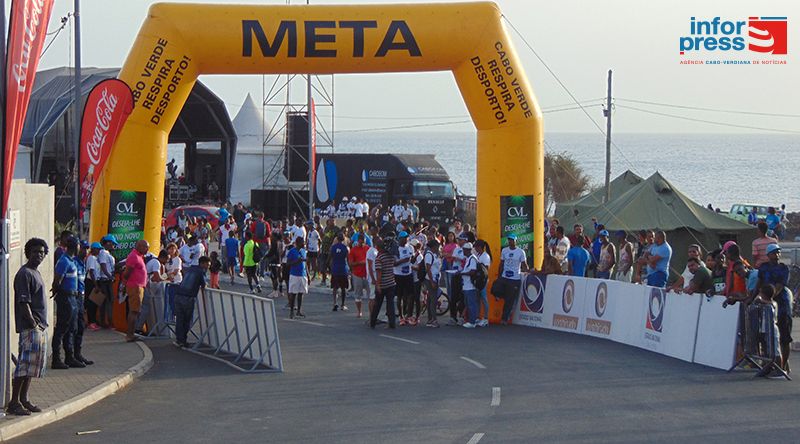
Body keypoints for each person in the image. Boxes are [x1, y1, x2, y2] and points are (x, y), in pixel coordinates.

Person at [7, 238, 49, 416]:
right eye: (35, 252)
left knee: (31, 366)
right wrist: (33, 324)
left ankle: (24, 399)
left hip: (39, 327)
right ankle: (14, 402)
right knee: (23, 366)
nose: (38, 255)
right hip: (31, 327)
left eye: (41, 252)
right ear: (27, 253)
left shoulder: (35, 272)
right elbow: (24, 302)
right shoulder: (24, 274)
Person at [757, 244, 792, 373]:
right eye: (773, 252)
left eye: (778, 252)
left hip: (782, 305)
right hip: (766, 305)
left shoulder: (783, 268)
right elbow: (759, 284)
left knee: (784, 336)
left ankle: (783, 367)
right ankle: (769, 364)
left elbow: (779, 286)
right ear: (768, 255)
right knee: (766, 336)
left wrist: (770, 297)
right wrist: (754, 298)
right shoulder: (763, 268)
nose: (776, 255)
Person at [50, 237, 84, 369]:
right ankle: (56, 359)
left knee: (72, 328)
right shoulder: (64, 261)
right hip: (66, 297)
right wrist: (58, 293)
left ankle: (70, 357)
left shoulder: (72, 261)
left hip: (73, 298)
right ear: (75, 247)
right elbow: (57, 280)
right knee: (62, 328)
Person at [173, 256, 210, 348]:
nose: (208, 267)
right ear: (203, 263)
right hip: (188, 298)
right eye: (207, 265)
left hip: (178, 295)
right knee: (187, 320)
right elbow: (204, 285)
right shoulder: (201, 272)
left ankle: (179, 339)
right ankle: (183, 340)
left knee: (180, 319)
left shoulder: (190, 269)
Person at [495, 233, 528, 325]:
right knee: (495, 289)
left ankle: (504, 319)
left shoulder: (520, 252)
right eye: (509, 240)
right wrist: (499, 276)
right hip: (505, 276)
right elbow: (501, 263)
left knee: (509, 300)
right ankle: (499, 296)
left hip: (514, 278)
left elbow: (524, 264)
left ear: (515, 241)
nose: (510, 241)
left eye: (512, 240)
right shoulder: (504, 250)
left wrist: (529, 271)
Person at [122, 240, 150, 342]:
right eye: (146, 247)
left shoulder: (139, 256)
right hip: (135, 287)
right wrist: (125, 283)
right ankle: (130, 335)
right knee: (134, 311)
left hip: (138, 286)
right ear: (140, 246)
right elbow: (126, 273)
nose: (147, 250)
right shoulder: (133, 256)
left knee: (135, 311)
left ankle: (131, 334)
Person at [370, 239, 397, 329]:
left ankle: (372, 322)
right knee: (390, 304)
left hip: (383, 284)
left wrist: (377, 285)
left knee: (377, 305)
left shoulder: (379, 258)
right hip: (391, 282)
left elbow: (379, 273)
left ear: (378, 248)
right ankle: (392, 323)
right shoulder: (390, 256)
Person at [394, 231, 415, 326]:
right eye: (405, 238)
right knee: (400, 297)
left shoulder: (410, 247)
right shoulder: (396, 249)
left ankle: (408, 315)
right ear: (400, 239)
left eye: (407, 237)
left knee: (410, 295)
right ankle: (401, 316)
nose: (407, 239)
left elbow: (413, 260)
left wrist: (414, 257)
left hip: (408, 274)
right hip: (398, 275)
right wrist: (404, 260)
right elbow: (394, 263)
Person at [97, 235, 118, 327]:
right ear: (108, 243)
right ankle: (106, 322)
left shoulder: (107, 253)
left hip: (108, 280)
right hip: (105, 280)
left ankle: (107, 321)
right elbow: (103, 266)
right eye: (113, 244)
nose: (114, 246)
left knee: (109, 301)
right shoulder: (103, 253)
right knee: (106, 302)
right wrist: (110, 276)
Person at [348, 233, 371, 318]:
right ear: (358, 240)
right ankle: (359, 311)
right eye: (361, 241)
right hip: (357, 274)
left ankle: (371, 312)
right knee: (358, 295)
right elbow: (350, 263)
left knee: (371, 295)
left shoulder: (368, 249)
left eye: (364, 241)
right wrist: (360, 262)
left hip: (367, 275)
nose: (363, 243)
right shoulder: (353, 250)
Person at [287, 237, 309, 319]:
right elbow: (288, 263)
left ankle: (299, 311)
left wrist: (307, 274)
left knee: (301, 293)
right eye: (302, 242)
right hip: (294, 275)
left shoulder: (303, 251)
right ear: (297, 242)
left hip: (302, 274)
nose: (303, 243)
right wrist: (296, 262)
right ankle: (292, 311)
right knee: (293, 294)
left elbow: (305, 263)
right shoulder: (292, 251)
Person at [460, 243, 480, 328]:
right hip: (466, 285)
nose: (463, 251)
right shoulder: (468, 258)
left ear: (468, 250)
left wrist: (462, 273)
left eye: (464, 250)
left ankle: (472, 321)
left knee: (471, 304)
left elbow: (473, 271)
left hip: (470, 285)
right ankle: (470, 319)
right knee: (468, 303)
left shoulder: (472, 259)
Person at [423, 239, 443, 328]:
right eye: (437, 246)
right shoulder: (429, 255)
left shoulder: (434, 255)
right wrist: (432, 281)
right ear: (434, 246)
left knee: (431, 299)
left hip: (435, 278)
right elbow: (428, 269)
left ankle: (430, 319)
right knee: (433, 300)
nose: (438, 248)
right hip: (431, 279)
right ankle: (433, 319)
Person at [329, 233, 350, 311]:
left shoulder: (333, 247)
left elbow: (331, 258)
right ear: (344, 239)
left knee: (335, 287)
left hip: (335, 269)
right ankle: (343, 304)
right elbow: (348, 259)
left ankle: (335, 303)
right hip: (343, 269)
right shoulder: (346, 248)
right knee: (343, 288)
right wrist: (349, 269)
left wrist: (331, 268)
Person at [84, 242, 102, 331]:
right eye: (98, 249)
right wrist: (96, 285)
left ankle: (93, 321)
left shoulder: (96, 258)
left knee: (95, 303)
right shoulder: (91, 258)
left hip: (95, 281)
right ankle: (91, 322)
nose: (99, 251)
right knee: (91, 303)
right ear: (93, 249)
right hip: (91, 282)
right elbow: (91, 271)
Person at [474, 239, 491, 327]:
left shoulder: (486, 256)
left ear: (480, 247)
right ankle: (477, 317)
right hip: (477, 280)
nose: (475, 249)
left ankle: (486, 318)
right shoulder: (478, 255)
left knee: (484, 298)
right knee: (477, 299)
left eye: (476, 247)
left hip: (483, 280)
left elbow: (486, 269)